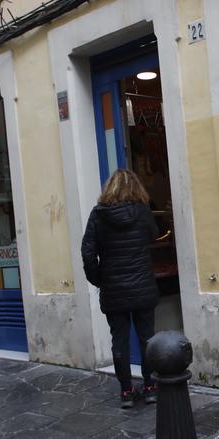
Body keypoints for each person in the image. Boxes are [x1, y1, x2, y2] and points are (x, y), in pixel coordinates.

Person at [81, 169, 161, 408]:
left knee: (119, 341)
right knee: (147, 338)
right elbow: (154, 236)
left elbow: (87, 253)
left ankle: (126, 391)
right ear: (137, 188)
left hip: (113, 289)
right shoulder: (143, 212)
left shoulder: (98, 214)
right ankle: (149, 387)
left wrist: (99, 279)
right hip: (142, 286)